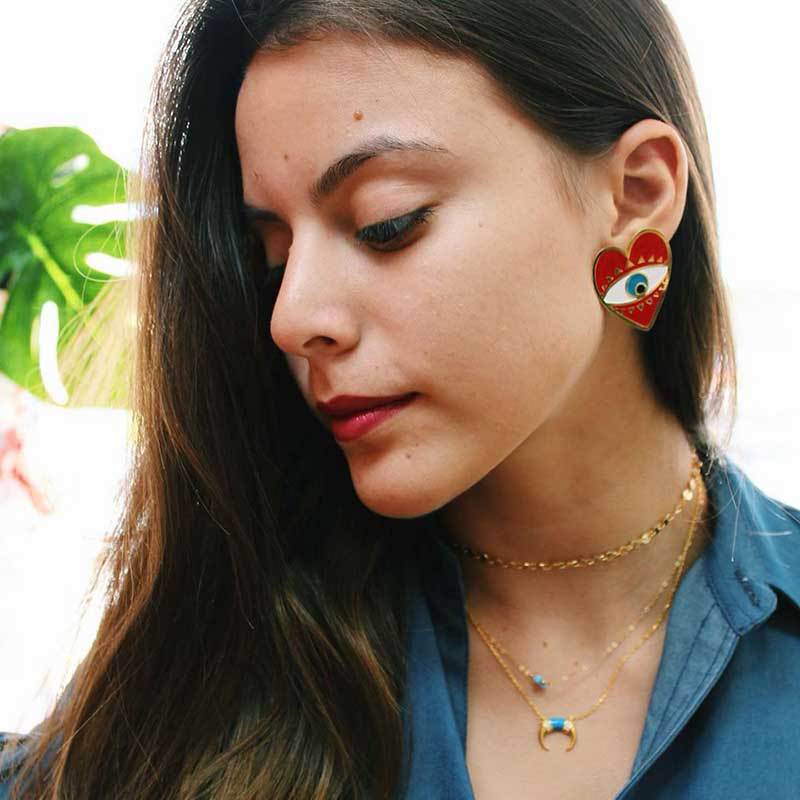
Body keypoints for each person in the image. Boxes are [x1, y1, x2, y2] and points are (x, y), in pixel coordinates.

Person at [2, 1, 799, 798]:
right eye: (272, 256)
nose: (292, 319)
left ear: (635, 194)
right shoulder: (214, 658)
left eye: (387, 224)